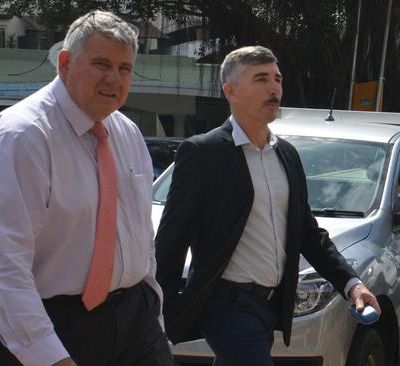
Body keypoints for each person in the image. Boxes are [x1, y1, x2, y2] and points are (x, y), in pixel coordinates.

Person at [0, 10, 173, 366]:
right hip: (54, 326)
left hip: (137, 323)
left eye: (125, 69)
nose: (114, 78)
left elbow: (139, 234)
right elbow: (1, 261)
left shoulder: (127, 132)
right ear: (64, 63)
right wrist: (48, 355)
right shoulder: (23, 135)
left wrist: (153, 313)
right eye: (101, 64)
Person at [154, 45, 381, 365]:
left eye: (277, 78)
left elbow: (307, 234)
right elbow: (171, 239)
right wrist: (156, 315)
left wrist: (351, 284)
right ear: (230, 91)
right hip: (226, 304)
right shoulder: (203, 153)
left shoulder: (286, 155)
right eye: (261, 79)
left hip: (271, 308)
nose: (274, 87)